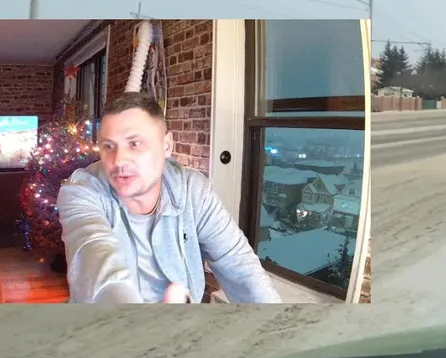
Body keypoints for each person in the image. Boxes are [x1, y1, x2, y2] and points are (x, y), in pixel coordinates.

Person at [57, 92, 282, 304]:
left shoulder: (193, 190)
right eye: (108, 146)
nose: (118, 160)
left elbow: (238, 263)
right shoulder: (82, 191)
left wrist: (278, 325)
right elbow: (94, 256)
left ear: (166, 146)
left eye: (134, 143)